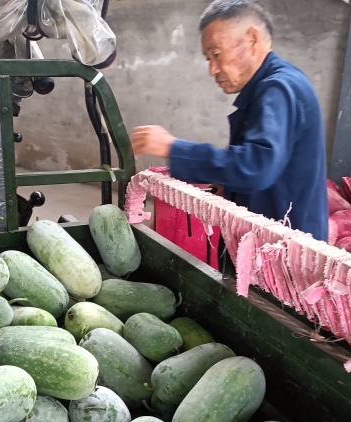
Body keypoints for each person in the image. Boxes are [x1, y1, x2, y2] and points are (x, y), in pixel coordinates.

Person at [130, 0, 328, 242]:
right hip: (271, 241)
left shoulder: (279, 88)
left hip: (287, 251)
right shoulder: (271, 87)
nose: (212, 69)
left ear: (252, 40)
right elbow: (270, 165)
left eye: (216, 54)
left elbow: (258, 167)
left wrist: (174, 148)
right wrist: (230, 186)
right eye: (208, 58)